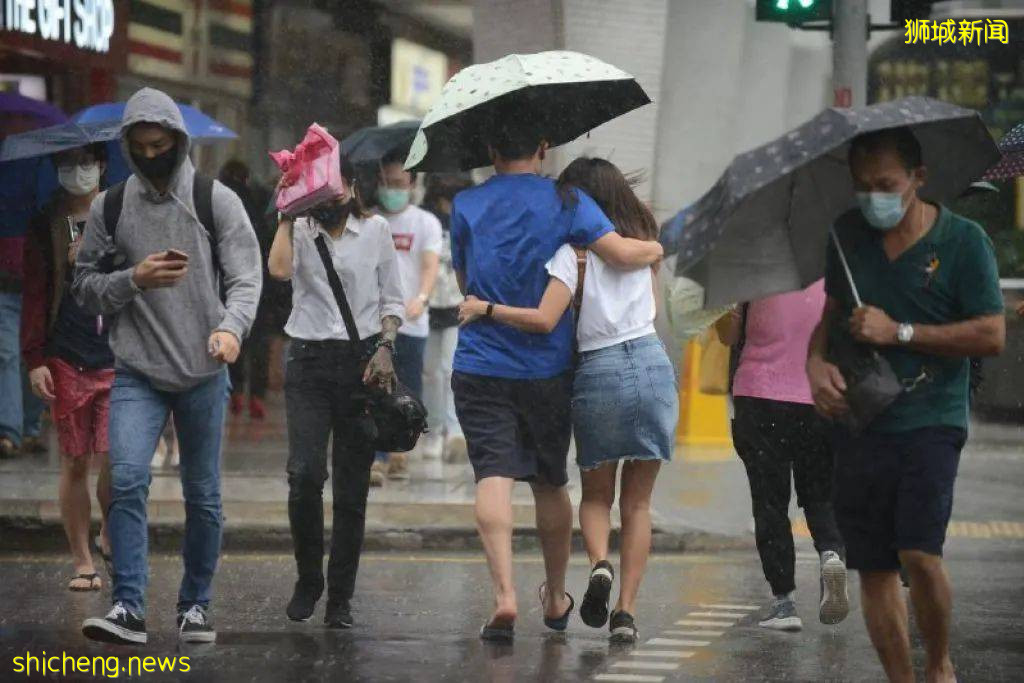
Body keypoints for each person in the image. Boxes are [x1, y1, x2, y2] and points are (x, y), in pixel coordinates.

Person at [449, 115, 663, 642]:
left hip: (480, 364)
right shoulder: (567, 201)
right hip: (546, 369)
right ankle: (554, 594)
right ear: (543, 148)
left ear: (491, 146)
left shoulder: (465, 205)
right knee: (550, 483)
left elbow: (463, 279)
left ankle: (504, 595)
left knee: (492, 477)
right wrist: (658, 246)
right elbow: (618, 252)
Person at [807, 127, 1004, 683]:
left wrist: (900, 332)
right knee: (872, 566)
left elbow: (991, 334)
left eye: (886, 184)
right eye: (862, 187)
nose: (874, 197)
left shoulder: (964, 242)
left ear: (918, 178)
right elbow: (828, 322)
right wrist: (815, 366)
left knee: (918, 554)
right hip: (861, 421)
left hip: (931, 420)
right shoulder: (846, 235)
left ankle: (938, 661)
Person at [74, 87, 262, 645]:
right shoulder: (109, 206)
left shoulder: (214, 200)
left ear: (178, 142)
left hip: (205, 370)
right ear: (128, 150)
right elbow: (83, 287)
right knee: (127, 479)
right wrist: (134, 279)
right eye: (141, 147)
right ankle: (128, 605)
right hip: (136, 370)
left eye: (162, 144)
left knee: (202, 494)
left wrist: (231, 329)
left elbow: (247, 277)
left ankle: (196, 605)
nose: (153, 154)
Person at [267, 151, 403, 629]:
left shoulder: (378, 232)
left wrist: (386, 346)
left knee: (351, 491)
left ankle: (340, 596)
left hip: (362, 365)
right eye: (318, 189)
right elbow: (279, 271)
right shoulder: (300, 230)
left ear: (352, 187)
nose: (330, 197)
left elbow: (392, 299)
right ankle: (309, 579)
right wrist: (287, 211)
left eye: (335, 187)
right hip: (307, 362)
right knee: (304, 475)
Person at [716, 282, 848, 632]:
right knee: (821, 495)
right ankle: (831, 555)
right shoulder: (833, 269)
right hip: (820, 395)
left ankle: (784, 602)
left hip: (760, 395)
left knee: (770, 501)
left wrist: (729, 308)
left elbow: (728, 336)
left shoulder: (755, 270)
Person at [21, 143, 114, 591]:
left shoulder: (121, 211)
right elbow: (36, 294)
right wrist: (35, 359)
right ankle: (82, 561)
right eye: (66, 163)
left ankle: (111, 531)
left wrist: (99, 259)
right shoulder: (46, 222)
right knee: (75, 460)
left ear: (102, 165)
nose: (76, 171)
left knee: (119, 459)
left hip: (119, 354)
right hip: (66, 354)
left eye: (85, 162)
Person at [369, 148, 442, 484]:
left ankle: (400, 449)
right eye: (386, 182)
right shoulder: (368, 219)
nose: (392, 188)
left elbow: (429, 266)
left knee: (406, 390)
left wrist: (422, 298)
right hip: (373, 322)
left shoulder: (426, 223)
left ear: (412, 183)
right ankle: (379, 456)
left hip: (412, 323)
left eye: (399, 182)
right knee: (375, 388)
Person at [420, 173, 473, 464]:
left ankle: (454, 431)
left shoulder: (469, 222)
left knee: (451, 370)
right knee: (430, 373)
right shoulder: (425, 220)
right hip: (427, 304)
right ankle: (432, 431)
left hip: (456, 303)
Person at [220, 159, 273, 420]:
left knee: (232, 335)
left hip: (227, 282)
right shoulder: (259, 201)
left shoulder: (218, 201)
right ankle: (257, 395)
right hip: (260, 282)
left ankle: (236, 389)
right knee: (259, 344)